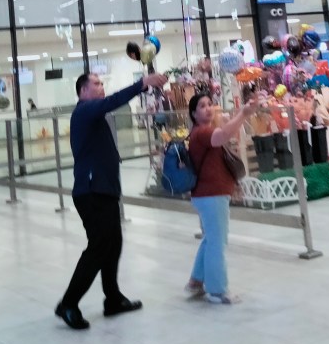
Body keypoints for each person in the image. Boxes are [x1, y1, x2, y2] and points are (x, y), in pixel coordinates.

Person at [55, 70, 168, 330]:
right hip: (91, 191)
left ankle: (113, 298)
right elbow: (111, 102)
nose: (101, 86)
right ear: (83, 91)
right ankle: (68, 303)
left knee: (113, 243)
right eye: (95, 83)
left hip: (103, 191)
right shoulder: (85, 110)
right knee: (98, 247)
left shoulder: (93, 115)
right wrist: (142, 83)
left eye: (101, 83)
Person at [184, 91, 260, 305]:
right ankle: (217, 290)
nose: (208, 108)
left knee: (211, 238)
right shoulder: (202, 133)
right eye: (202, 106)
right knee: (217, 242)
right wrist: (243, 114)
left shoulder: (200, 131)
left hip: (209, 194)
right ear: (193, 114)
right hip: (211, 194)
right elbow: (222, 136)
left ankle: (196, 281)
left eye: (210, 104)